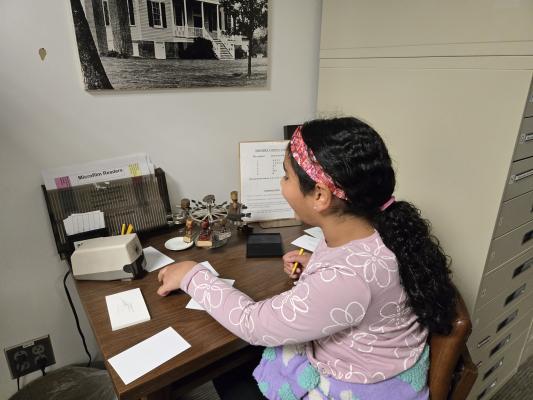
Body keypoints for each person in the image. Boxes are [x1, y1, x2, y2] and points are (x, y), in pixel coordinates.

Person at [157, 117, 457, 400]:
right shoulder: (379, 227)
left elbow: (253, 323)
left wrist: (190, 275)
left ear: (320, 195)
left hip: (357, 385)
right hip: (384, 357)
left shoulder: (344, 280)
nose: (282, 184)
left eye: (286, 175)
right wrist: (317, 263)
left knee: (228, 374)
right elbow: (366, 279)